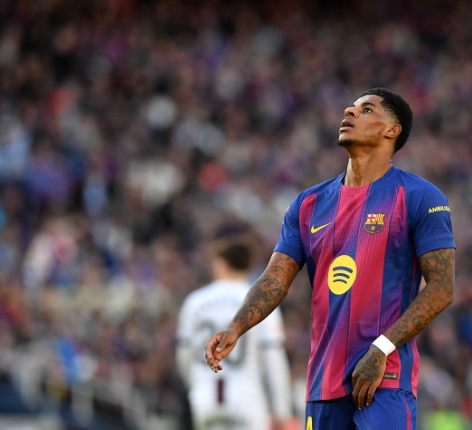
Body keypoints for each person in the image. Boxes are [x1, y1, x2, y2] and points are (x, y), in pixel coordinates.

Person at [205, 87, 456, 430]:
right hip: (323, 384)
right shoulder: (308, 204)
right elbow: (276, 277)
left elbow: (442, 288)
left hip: (385, 379)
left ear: (391, 130)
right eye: (350, 107)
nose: (349, 112)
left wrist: (382, 349)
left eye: (366, 110)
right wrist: (236, 326)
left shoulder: (419, 196)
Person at [177, 221, 296, 430]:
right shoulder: (261, 304)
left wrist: (196, 386)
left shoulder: (194, 302)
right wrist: (282, 412)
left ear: (221, 264)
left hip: (205, 400)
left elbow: (184, 357)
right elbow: (273, 359)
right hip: (247, 399)